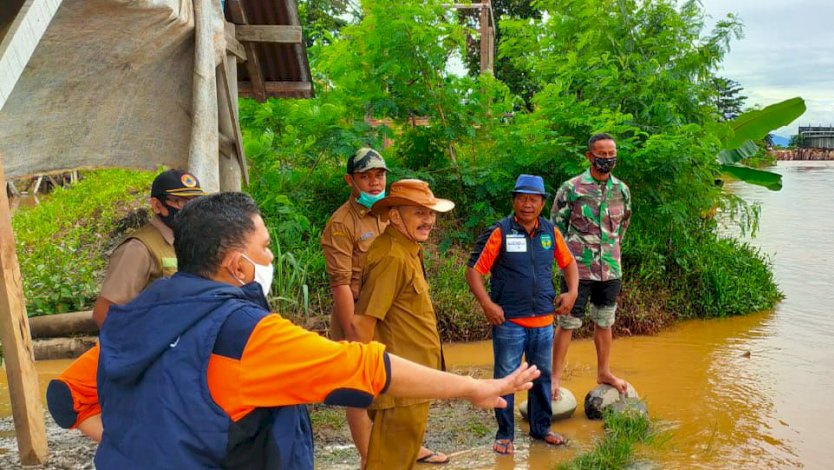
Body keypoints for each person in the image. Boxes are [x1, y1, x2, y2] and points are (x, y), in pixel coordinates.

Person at [45, 192, 539, 468]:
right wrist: (477, 388)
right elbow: (365, 366)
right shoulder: (247, 335)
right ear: (238, 266)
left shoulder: (142, 311)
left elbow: (66, 398)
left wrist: (140, 448)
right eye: (263, 247)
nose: (270, 256)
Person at [321, 148, 450, 464]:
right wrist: (357, 342)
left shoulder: (392, 225)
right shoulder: (342, 223)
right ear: (351, 180)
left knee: (397, 399)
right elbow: (341, 286)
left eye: (379, 175)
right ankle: (372, 456)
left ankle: (400, 448)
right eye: (366, 176)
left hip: (392, 321)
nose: (374, 181)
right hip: (359, 314)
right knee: (362, 391)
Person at [465, 174, 578, 455]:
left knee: (541, 379)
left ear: (542, 203)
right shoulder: (500, 231)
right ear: (514, 201)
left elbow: (569, 263)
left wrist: (572, 292)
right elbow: (474, 271)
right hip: (509, 323)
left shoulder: (550, 232)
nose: (527, 204)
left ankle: (541, 429)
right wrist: (487, 305)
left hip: (543, 322)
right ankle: (505, 435)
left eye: (533, 199)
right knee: (505, 380)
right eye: (522, 198)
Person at [351, 179, 456, 469]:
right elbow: (363, 323)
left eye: (430, 213)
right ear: (395, 216)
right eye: (419, 213)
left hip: (414, 380)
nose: (429, 220)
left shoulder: (406, 247)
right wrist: (364, 379)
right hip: (400, 383)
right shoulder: (392, 256)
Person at [550, 133, 632, 399]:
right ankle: (554, 379)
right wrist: (565, 264)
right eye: (601, 154)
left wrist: (610, 254)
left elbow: (622, 228)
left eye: (611, 154)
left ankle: (604, 372)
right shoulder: (571, 188)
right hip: (578, 269)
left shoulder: (622, 190)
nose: (607, 158)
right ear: (589, 156)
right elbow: (556, 230)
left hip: (610, 268)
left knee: (605, 321)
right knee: (568, 321)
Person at [91, 169, 205, 326]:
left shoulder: (188, 241)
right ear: (157, 205)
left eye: (196, 201)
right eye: (182, 202)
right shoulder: (138, 248)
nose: (191, 209)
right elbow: (104, 313)